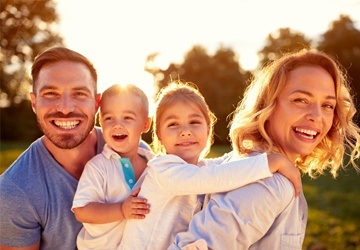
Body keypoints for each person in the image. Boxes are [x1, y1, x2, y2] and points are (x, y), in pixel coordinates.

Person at [170, 49, 360, 249]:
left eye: (328, 105)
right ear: (268, 106)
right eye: (301, 100)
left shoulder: (242, 163)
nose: (317, 115)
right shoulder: (267, 185)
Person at [119, 81, 302, 250]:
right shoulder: (163, 169)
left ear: (208, 127)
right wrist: (270, 163)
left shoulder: (198, 168)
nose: (185, 131)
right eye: (173, 124)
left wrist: (259, 152)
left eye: (194, 122)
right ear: (159, 135)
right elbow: (215, 176)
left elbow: (224, 165)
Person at [0, 47, 148, 249]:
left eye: (79, 93)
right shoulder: (15, 191)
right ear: (34, 102)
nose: (65, 108)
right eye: (51, 93)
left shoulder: (134, 150)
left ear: (97, 103)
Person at [72, 84, 154, 250]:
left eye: (128, 118)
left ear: (145, 124)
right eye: (109, 118)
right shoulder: (98, 167)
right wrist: (121, 210)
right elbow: (81, 210)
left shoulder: (153, 165)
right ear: (100, 122)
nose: (117, 125)